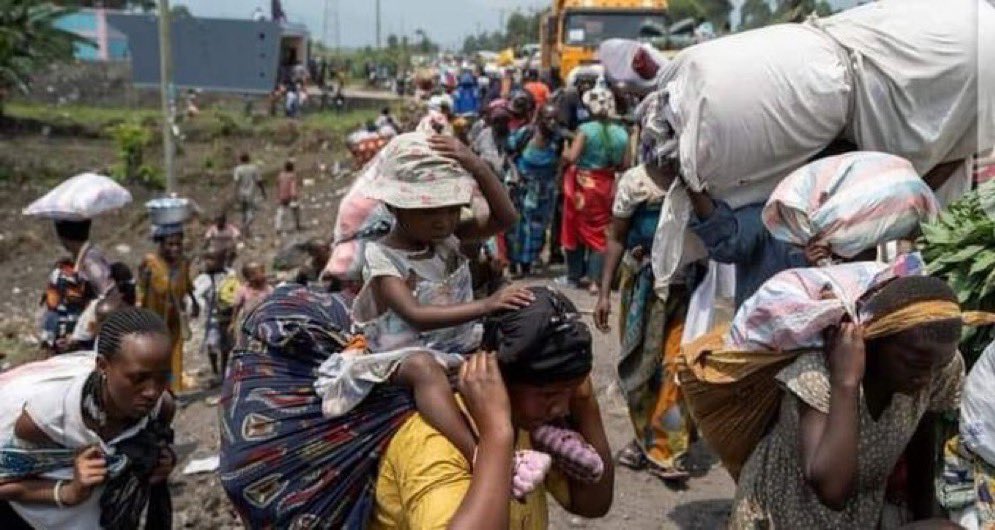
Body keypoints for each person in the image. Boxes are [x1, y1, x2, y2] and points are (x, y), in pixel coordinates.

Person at [341, 132, 541, 484]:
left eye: (451, 209)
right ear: (394, 206)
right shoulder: (383, 256)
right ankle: (476, 452)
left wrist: (477, 166)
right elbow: (416, 316)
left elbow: (506, 219)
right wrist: (487, 304)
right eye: (429, 211)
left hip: (458, 343)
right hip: (400, 353)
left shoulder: (448, 238)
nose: (443, 220)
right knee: (423, 368)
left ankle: (548, 431)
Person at [731, 275, 967, 528]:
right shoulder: (818, 376)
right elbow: (832, 492)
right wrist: (846, 383)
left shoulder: (937, 366)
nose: (927, 378)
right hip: (786, 515)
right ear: (874, 340)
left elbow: (921, 443)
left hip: (859, 517)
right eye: (915, 365)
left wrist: (923, 516)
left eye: (938, 366)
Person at [370, 291, 614, 529]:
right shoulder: (432, 444)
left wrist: (585, 403)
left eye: (569, 391)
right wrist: (497, 434)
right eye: (548, 395)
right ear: (498, 378)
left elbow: (592, 503)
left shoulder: (529, 421)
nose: (561, 408)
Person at [0, 307, 177, 530]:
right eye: (138, 378)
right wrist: (68, 491)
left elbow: (153, 450)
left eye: (163, 378)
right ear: (103, 366)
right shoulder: (50, 416)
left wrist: (162, 462)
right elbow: (4, 480)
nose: (152, 392)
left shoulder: (160, 409)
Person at [593, 152, 692, 480]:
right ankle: (643, 440)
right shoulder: (637, 182)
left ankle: (666, 450)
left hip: (686, 288)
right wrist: (604, 294)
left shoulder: (698, 180)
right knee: (640, 370)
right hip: (642, 288)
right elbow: (617, 237)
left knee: (675, 368)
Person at [687, 188, 822, 308]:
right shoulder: (768, 217)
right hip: (766, 321)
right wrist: (694, 190)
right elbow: (728, 243)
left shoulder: (830, 220)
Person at [561, 83, 630, 294]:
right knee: (601, 232)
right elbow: (625, 165)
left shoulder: (585, 130)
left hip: (582, 186)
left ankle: (573, 276)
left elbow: (572, 157)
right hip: (606, 185)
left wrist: (565, 151)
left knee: (575, 229)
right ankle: (595, 281)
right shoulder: (622, 133)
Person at [505, 103, 564, 277]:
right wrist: (515, 174)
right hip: (522, 188)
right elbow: (508, 154)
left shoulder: (558, 139)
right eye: (548, 118)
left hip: (545, 191)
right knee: (517, 227)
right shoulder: (526, 134)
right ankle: (514, 262)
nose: (552, 123)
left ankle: (528, 262)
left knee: (537, 228)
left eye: (555, 119)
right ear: (540, 119)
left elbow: (561, 161)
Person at [138, 226, 199, 393]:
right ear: (161, 245)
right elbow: (141, 288)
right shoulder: (151, 263)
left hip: (174, 317)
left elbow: (187, 284)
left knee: (175, 354)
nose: (175, 248)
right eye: (170, 244)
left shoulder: (183, 263)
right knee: (156, 356)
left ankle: (173, 390)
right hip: (154, 319)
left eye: (178, 244)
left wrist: (194, 302)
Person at [193, 247, 240, 382]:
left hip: (227, 317)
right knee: (212, 344)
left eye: (212, 259)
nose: (208, 262)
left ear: (222, 261)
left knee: (226, 345)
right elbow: (196, 295)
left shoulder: (229, 275)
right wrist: (198, 305)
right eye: (206, 259)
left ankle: (224, 371)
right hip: (212, 318)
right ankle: (215, 370)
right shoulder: (203, 279)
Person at [68, 262, 137, 352]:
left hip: (101, 353)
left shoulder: (101, 306)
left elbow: (83, 336)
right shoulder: (138, 308)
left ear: (112, 280)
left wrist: (71, 342)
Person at [231, 261, 273, 331]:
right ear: (251, 277)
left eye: (264, 271)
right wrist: (233, 323)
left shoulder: (269, 290)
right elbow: (236, 308)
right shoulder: (243, 290)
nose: (264, 275)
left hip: (265, 324)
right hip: (248, 325)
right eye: (262, 272)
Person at [233, 153, 266, 237]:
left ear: (240, 159)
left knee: (244, 212)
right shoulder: (254, 168)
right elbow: (259, 181)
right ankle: (245, 228)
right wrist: (263, 191)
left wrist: (235, 194)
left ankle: (245, 230)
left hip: (241, 193)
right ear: (249, 159)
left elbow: (236, 183)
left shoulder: (238, 169)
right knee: (251, 212)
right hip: (251, 193)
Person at [275, 159, 303, 235]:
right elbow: (293, 186)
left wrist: (278, 196)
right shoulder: (292, 176)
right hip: (290, 196)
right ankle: (297, 225)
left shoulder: (281, 175)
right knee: (295, 211)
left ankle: (278, 227)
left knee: (281, 212)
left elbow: (278, 185)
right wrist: (294, 195)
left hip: (282, 196)